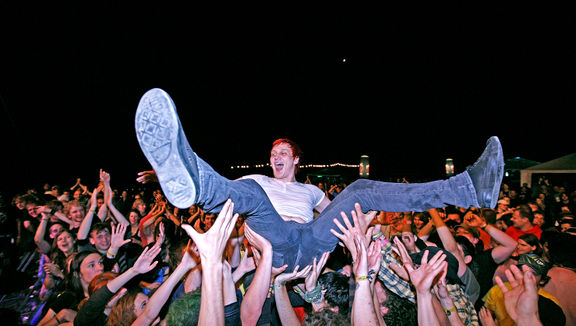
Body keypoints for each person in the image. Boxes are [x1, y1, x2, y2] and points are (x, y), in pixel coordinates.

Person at [134, 88, 504, 270]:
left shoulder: (311, 190)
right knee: (248, 191)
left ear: (295, 159)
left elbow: (341, 217)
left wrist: (367, 231)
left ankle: (469, 187)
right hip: (275, 243)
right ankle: (191, 180)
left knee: (359, 189)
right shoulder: (258, 182)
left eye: (282, 153)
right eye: (272, 153)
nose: (275, 157)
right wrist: (157, 181)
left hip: (310, 243)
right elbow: (244, 198)